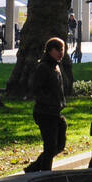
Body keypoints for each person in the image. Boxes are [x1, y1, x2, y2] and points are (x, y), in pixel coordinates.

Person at [25, 37, 67, 172]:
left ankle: (33, 169)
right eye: (58, 50)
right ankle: (44, 174)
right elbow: (36, 89)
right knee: (50, 147)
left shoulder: (56, 66)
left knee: (59, 145)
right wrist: (50, 101)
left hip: (55, 111)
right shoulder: (43, 66)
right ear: (49, 51)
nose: (61, 53)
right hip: (45, 112)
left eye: (63, 49)